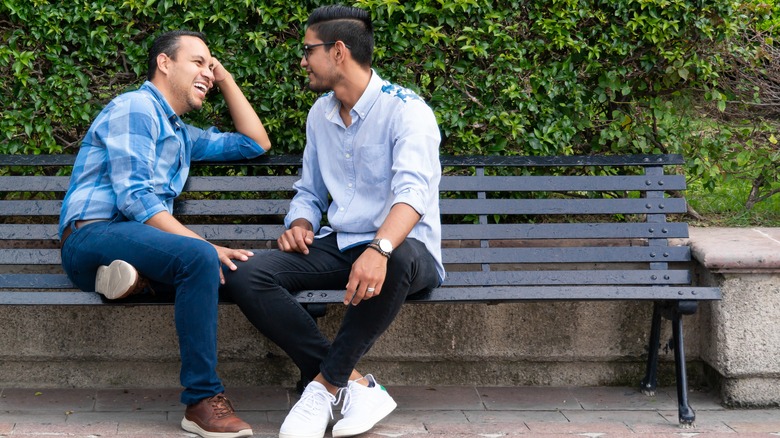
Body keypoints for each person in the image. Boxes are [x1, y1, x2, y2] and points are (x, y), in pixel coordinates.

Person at [223, 4, 444, 438]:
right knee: (245, 274)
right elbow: (309, 191)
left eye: (309, 50)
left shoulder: (407, 111)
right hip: (341, 244)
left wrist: (379, 249)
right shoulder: (320, 113)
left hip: (405, 252)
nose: (302, 61)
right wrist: (302, 223)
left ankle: (322, 387)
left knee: (393, 258)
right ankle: (356, 384)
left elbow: (413, 195)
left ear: (338, 51)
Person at [58, 30, 271, 438]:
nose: (207, 71)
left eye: (211, 65)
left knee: (213, 270)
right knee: (199, 260)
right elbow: (134, 197)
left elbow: (254, 143)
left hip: (132, 243)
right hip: (91, 236)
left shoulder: (181, 135)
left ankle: (133, 281)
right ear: (164, 63)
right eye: (198, 62)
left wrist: (225, 79)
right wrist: (205, 246)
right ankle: (201, 400)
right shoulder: (137, 107)